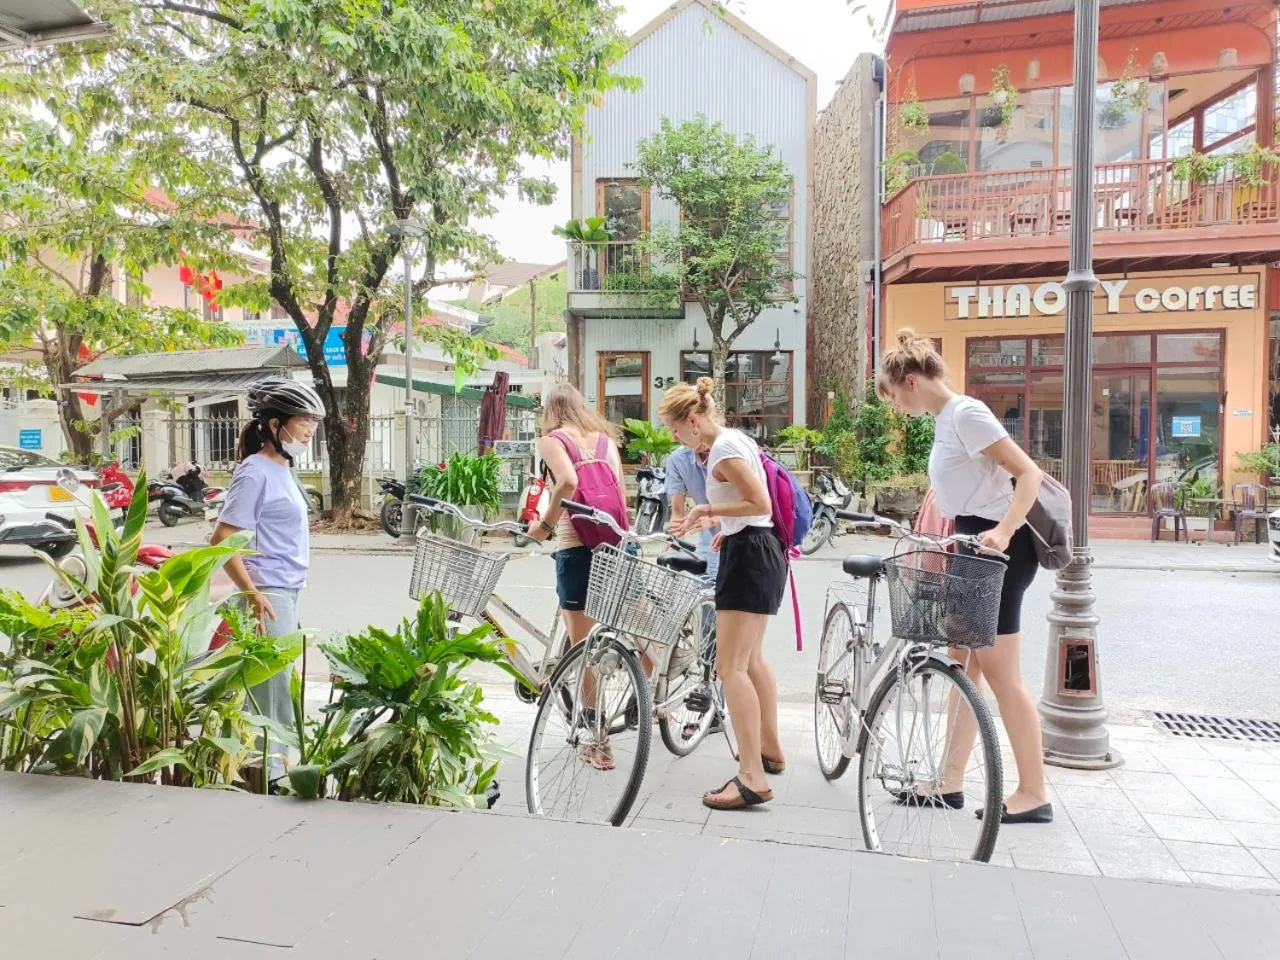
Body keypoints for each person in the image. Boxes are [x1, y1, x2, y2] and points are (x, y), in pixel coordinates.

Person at [877, 330, 1052, 825]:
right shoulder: (947, 419)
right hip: (972, 545)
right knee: (965, 663)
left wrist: (1002, 530)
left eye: (893, 397)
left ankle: (1034, 791)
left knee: (1000, 675)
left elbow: (1029, 473)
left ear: (910, 381)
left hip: (996, 549)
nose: (895, 408)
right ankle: (950, 780)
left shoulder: (966, 414)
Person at [662, 378, 787, 810]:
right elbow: (751, 508)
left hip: (751, 556)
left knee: (729, 668)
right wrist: (725, 529)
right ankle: (769, 751)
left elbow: (761, 502)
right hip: (754, 549)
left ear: (693, 421)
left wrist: (708, 510)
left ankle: (752, 775)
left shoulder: (723, 450)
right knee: (750, 661)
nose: (676, 440)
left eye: (677, 431)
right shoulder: (736, 440)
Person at [211, 377, 325, 788]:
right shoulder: (255, 471)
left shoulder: (282, 470)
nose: (310, 429)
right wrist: (251, 592)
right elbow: (223, 539)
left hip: (286, 593)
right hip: (268, 595)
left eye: (313, 421)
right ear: (275, 425)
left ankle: (272, 778)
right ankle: (268, 783)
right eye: (302, 420)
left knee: (279, 693)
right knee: (270, 697)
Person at [525, 382, 628, 770]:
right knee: (591, 637)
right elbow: (618, 493)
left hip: (575, 545)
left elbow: (566, 482)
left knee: (582, 648)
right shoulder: (604, 441)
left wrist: (544, 527)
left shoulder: (552, 441)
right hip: (612, 543)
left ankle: (594, 736)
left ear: (550, 411)